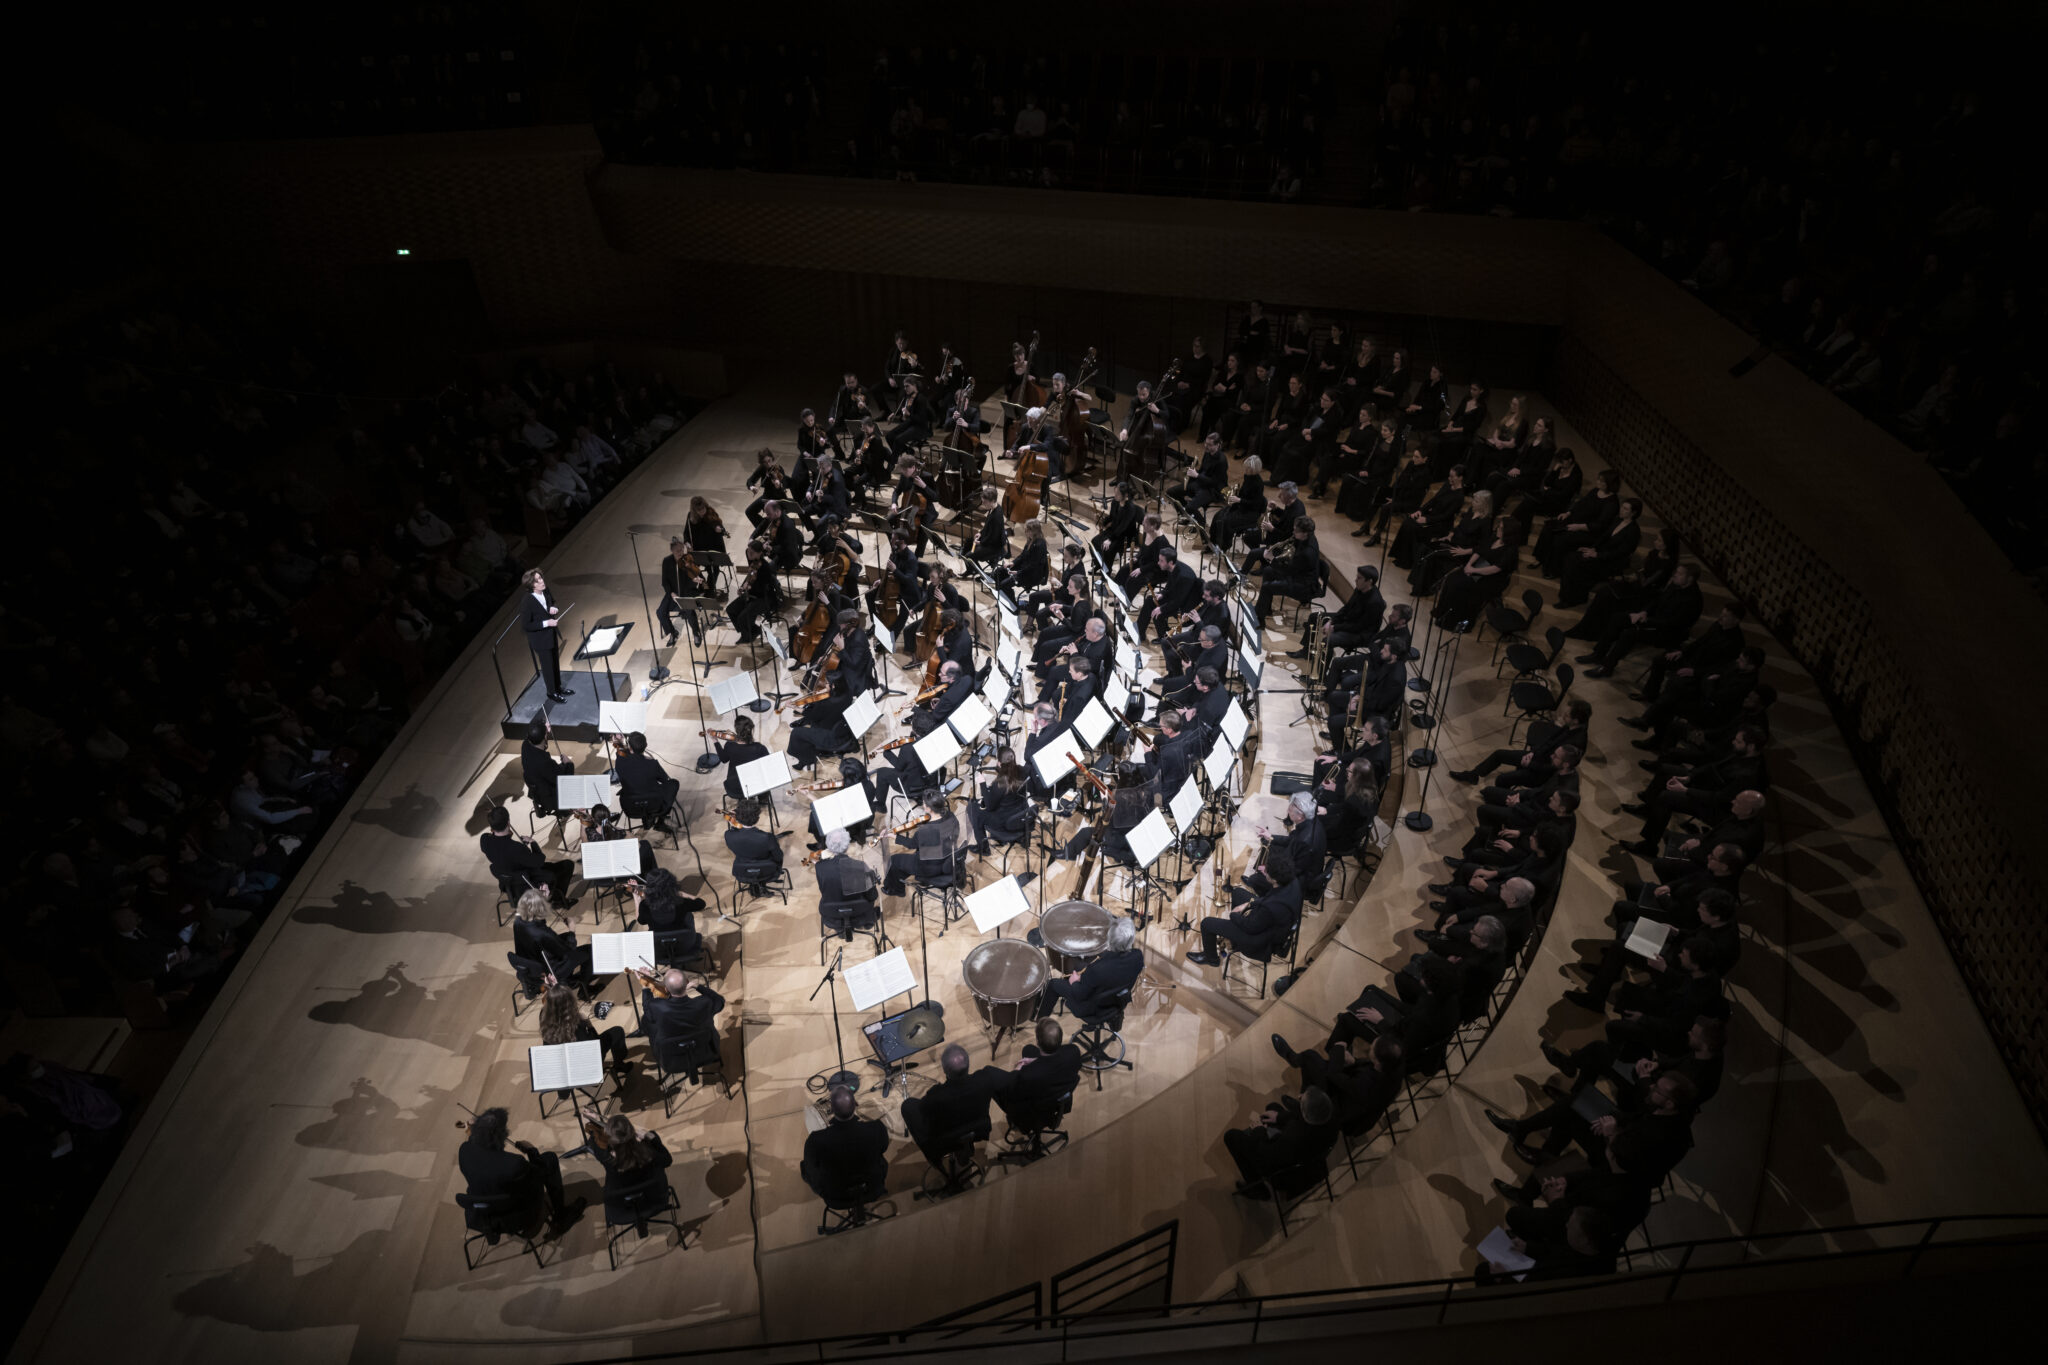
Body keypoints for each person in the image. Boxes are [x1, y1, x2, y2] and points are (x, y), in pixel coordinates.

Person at [458, 1106, 584, 1232]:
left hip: (482, 1213)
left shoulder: (464, 1151)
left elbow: (478, 1149)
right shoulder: (513, 1164)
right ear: (502, 1135)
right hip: (517, 1216)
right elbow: (540, 1173)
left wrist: (475, 1129)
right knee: (549, 1159)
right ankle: (561, 1215)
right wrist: (531, 1151)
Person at [1188, 847, 1300, 968]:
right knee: (1238, 892)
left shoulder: (1271, 907)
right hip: (1269, 921)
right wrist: (1248, 904)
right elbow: (1270, 898)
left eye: (1266, 872)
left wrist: (1234, 915)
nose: (1263, 871)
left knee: (1207, 923)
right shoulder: (1292, 881)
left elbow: (1250, 927)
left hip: (1258, 940)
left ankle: (1211, 959)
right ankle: (1234, 939)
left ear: (1274, 880)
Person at [902, 1043, 1011, 1167]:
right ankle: (964, 1146)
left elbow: (923, 1112)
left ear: (944, 1070)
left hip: (945, 1139)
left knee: (908, 1105)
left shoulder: (935, 1096)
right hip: (977, 1130)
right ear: (969, 1065)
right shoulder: (985, 1079)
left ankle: (934, 1158)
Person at [1224, 1085, 1339, 1192]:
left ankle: (1257, 1190)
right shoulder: (1332, 1120)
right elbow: (1299, 1118)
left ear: (1305, 1115)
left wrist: (1259, 1131)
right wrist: (1278, 1117)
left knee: (1231, 1136)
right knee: (1273, 1107)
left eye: (1301, 1100)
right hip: (1312, 1159)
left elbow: (1266, 1156)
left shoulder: (1291, 1137)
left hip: (1286, 1174)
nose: (1299, 1096)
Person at [1038, 914, 1144, 1019]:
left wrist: (1074, 982)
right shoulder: (1138, 957)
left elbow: (1079, 994)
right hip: (1116, 1002)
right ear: (1131, 939)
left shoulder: (1097, 970)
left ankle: (1041, 1022)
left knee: (1053, 984)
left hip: (1093, 1008)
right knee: (1080, 966)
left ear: (1110, 939)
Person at [802, 1084, 890, 1203]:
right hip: (873, 1189)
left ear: (831, 1110)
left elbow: (810, 1167)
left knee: (805, 1166)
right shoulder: (876, 1128)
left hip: (835, 1198)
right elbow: (883, 1148)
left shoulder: (815, 1140)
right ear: (856, 1104)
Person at [537, 979, 629, 1093]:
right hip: (585, 1072)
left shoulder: (543, 1017)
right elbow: (596, 1048)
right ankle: (619, 1064)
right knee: (617, 1031)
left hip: (563, 1072)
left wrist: (555, 989)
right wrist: (588, 1025)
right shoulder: (577, 1026)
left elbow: (555, 1003)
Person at [640, 966, 725, 1082]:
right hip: (707, 1052)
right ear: (687, 982)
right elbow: (719, 1001)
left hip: (672, 1061)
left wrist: (645, 987)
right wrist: (697, 986)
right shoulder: (704, 1003)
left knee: (646, 1023)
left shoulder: (658, 1008)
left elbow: (647, 1009)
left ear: (666, 989)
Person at [998, 1017, 1084, 1131]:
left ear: (1038, 1042)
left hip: (1034, 1109)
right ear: (1060, 1039)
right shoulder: (1074, 1051)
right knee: (1028, 1049)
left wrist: (1017, 1070)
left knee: (996, 1084)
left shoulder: (1028, 1075)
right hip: (1058, 1098)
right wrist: (1034, 1060)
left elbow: (1014, 1091)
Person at [481, 806, 574, 904]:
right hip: (528, 883)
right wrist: (533, 842)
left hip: (509, 884)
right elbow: (539, 861)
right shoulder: (516, 848)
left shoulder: (484, 840)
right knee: (567, 865)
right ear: (508, 823)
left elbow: (499, 847)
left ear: (491, 826)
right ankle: (557, 900)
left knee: (551, 866)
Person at [512, 888, 593, 987]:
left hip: (533, 962)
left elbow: (539, 924)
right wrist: (572, 929)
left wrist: (541, 897)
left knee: (565, 937)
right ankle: (583, 989)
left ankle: (568, 978)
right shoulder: (543, 933)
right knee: (590, 950)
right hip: (550, 971)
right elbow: (569, 949)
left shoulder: (518, 921)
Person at [592, 1113, 673, 1204]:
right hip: (655, 1199)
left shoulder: (606, 1157)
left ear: (611, 1140)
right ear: (632, 1131)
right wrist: (652, 1138)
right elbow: (668, 1160)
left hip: (623, 1207)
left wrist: (592, 1122)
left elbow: (594, 1141)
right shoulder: (648, 1150)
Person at [519, 568, 571, 703]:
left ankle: (558, 688)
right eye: (537, 581)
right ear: (531, 585)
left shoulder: (546, 591)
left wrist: (553, 609)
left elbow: (552, 603)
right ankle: (551, 692)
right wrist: (546, 623)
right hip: (540, 640)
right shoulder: (527, 601)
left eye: (541, 578)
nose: (542, 581)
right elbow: (526, 625)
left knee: (555, 662)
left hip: (551, 634)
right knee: (547, 666)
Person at [614, 731, 680, 826]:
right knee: (674, 783)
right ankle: (660, 820)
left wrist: (621, 743)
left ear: (630, 747)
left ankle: (648, 819)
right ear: (646, 745)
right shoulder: (652, 764)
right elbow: (664, 780)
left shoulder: (620, 763)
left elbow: (622, 755)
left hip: (630, 807)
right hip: (655, 805)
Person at [725, 798, 784, 878]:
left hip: (743, 872)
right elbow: (778, 856)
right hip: (766, 871)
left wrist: (735, 825)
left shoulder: (728, 835)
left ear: (737, 817)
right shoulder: (768, 838)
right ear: (757, 819)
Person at [520, 720, 572, 810]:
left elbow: (534, 735)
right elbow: (562, 780)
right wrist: (568, 763)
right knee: (569, 768)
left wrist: (543, 728)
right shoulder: (544, 762)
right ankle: (568, 807)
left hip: (537, 790)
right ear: (544, 737)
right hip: (549, 799)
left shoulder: (525, 745)